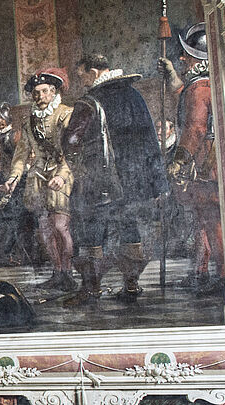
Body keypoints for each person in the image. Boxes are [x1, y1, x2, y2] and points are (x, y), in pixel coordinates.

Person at [63, 53, 169, 305]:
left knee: (90, 231)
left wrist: (78, 168)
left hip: (99, 182)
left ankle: (91, 288)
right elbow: (150, 143)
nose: (83, 83)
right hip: (134, 182)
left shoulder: (89, 103)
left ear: (94, 72)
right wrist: (159, 183)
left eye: (83, 77)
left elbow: (71, 141)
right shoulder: (134, 96)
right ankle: (131, 285)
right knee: (129, 229)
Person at [161, 23, 223, 297]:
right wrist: (173, 76)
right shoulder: (207, 83)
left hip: (206, 162)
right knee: (203, 220)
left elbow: (195, 128)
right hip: (210, 160)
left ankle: (221, 277)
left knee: (212, 221)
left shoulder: (200, 88)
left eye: (188, 54)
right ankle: (202, 272)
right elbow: (185, 98)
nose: (183, 58)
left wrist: (178, 159)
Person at [5, 68, 76, 292]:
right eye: (36, 93)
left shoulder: (66, 114)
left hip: (62, 173)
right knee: (45, 230)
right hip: (38, 177)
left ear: (53, 92)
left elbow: (73, 152)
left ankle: (69, 272)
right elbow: (21, 155)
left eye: (44, 92)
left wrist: (62, 177)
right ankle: (57, 273)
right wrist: (13, 179)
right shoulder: (29, 123)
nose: (40, 97)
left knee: (60, 226)